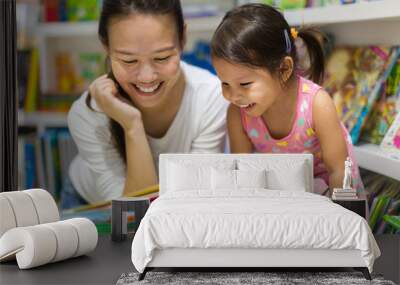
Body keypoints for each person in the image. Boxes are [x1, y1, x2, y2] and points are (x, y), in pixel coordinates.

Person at [64, 0, 227, 209]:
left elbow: (195, 201)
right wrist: (132, 126)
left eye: (162, 57)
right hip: (91, 204)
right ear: (106, 46)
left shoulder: (210, 97)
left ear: (183, 37)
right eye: (129, 61)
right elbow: (132, 214)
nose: (147, 77)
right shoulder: (88, 114)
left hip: (174, 209)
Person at [210, 4, 364, 195]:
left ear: (284, 69)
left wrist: (337, 220)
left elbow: (339, 171)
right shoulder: (237, 114)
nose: (233, 96)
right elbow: (242, 175)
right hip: (285, 194)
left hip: (330, 195)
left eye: (245, 84)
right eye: (225, 84)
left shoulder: (317, 105)